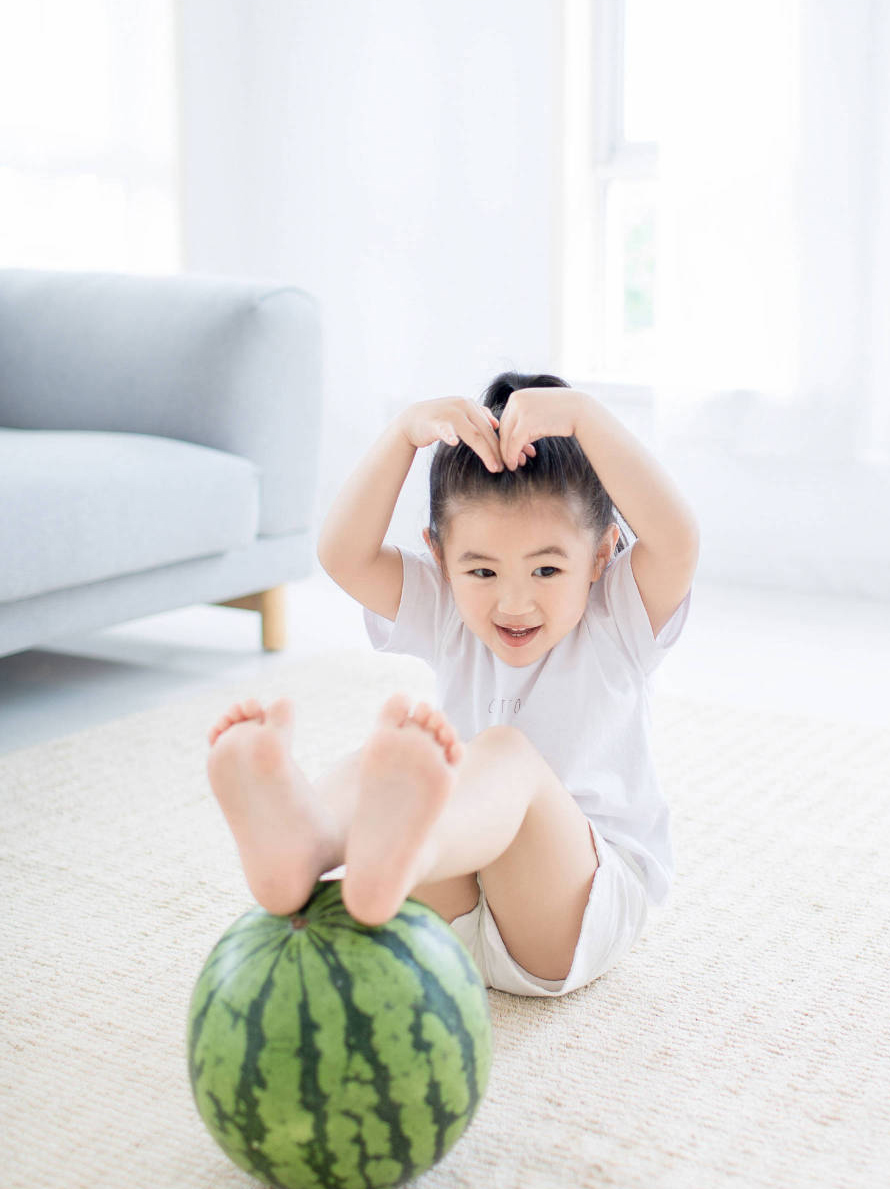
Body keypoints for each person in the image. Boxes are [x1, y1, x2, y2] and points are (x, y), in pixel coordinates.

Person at [206, 371, 699, 996]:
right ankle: (309, 844)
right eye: (482, 570)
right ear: (439, 558)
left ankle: (406, 846)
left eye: (547, 568)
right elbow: (343, 556)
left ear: (601, 556)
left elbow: (677, 538)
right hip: (451, 918)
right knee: (386, 762)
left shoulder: (619, 614)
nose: (513, 601)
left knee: (498, 753)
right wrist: (402, 434)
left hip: (574, 912)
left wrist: (585, 416)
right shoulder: (448, 609)